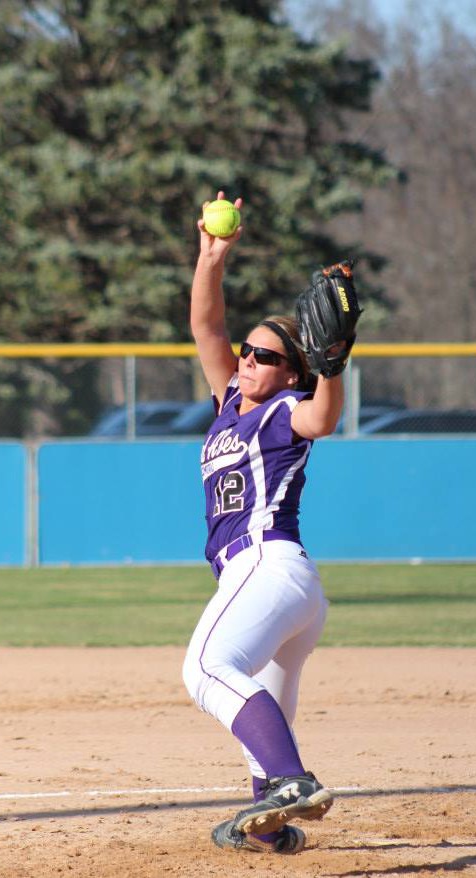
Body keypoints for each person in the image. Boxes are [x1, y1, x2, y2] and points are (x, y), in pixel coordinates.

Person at [182, 192, 356, 856]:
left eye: (264, 355)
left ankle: (290, 782)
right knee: (267, 718)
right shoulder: (230, 400)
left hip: (267, 564)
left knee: (206, 669)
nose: (248, 360)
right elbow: (205, 324)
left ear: (291, 373)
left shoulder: (285, 410)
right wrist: (211, 260)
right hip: (287, 589)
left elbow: (323, 419)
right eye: (248, 351)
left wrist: (331, 372)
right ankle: (275, 823)